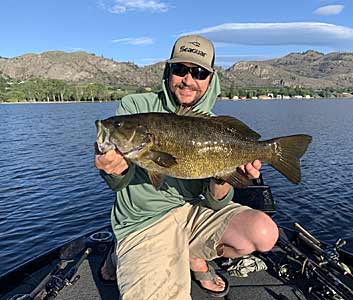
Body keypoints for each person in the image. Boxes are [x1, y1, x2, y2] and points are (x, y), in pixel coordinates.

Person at [95, 34, 279, 300]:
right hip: (146, 220)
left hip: (195, 212)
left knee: (263, 233)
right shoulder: (135, 107)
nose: (188, 80)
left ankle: (192, 253)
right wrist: (112, 169)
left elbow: (216, 202)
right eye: (180, 70)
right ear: (168, 71)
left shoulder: (215, 125)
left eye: (199, 73)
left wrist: (226, 177)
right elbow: (118, 182)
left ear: (211, 79)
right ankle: (123, 250)